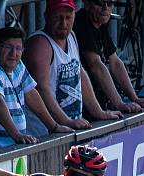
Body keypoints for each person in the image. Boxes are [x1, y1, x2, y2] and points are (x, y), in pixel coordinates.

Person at [23, 0, 121, 137]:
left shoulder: (71, 36)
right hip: (43, 133)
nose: (64, 24)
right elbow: (41, 89)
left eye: (68, 18)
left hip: (69, 128)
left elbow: (79, 74)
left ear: (74, 16)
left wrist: (98, 112)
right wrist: (65, 121)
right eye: (58, 18)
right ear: (46, 17)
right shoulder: (40, 44)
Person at [0, 27, 74, 150]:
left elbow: (31, 94)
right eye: (7, 47)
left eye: (18, 48)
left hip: (7, 147)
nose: (13, 53)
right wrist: (17, 135)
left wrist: (53, 127)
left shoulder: (17, 65)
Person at [74, 0, 144, 113]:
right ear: (87, 4)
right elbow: (96, 65)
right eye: (100, 3)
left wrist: (135, 98)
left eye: (110, 3)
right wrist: (119, 103)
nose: (105, 8)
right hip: (82, 106)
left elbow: (115, 62)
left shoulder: (99, 23)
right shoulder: (82, 23)